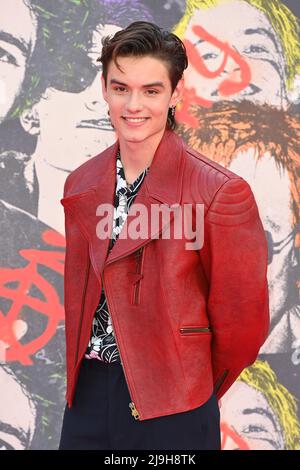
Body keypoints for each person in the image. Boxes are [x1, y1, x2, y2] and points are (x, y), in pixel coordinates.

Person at [58, 21, 269, 450]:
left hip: (174, 405)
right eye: (121, 88)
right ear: (104, 88)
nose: (134, 105)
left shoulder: (219, 192)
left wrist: (186, 385)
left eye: (151, 91)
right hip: (87, 399)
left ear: (175, 95)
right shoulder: (80, 183)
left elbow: (244, 326)